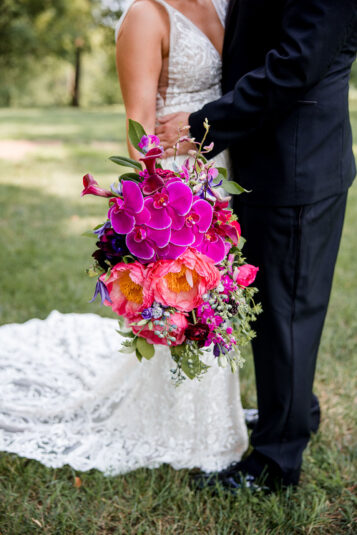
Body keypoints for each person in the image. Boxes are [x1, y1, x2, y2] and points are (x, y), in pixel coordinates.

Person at [0, 0, 250, 476]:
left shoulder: (222, 5)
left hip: (222, 176)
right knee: (185, 307)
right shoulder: (146, 15)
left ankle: (219, 419)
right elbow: (138, 131)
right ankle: (173, 426)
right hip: (178, 190)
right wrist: (165, 209)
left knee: (216, 302)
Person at [156, 0, 357, 491]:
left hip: (297, 162)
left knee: (288, 313)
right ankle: (290, 412)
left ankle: (275, 461)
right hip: (267, 159)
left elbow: (295, 65)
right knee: (274, 307)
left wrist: (203, 124)